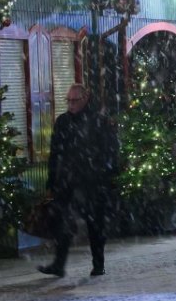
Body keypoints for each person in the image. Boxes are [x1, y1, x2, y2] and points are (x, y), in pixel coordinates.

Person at [38, 83, 119, 278]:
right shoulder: (63, 122)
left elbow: (110, 151)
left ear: (85, 100)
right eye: (69, 100)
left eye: (75, 100)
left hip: (92, 182)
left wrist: (103, 174)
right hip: (68, 181)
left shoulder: (98, 121)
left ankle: (98, 264)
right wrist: (52, 181)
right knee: (63, 222)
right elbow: (56, 153)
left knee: (95, 224)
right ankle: (59, 264)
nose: (71, 104)